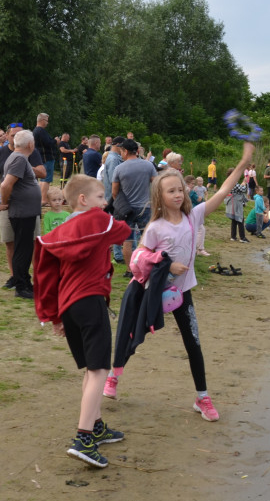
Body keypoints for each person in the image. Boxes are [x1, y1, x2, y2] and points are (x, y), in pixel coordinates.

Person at [105, 139, 255, 420]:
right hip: (151, 292)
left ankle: (203, 398)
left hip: (181, 294)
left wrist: (243, 163)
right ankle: (114, 376)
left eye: (180, 190)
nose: (177, 194)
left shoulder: (193, 217)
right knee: (133, 335)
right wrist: (165, 263)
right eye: (170, 191)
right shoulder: (155, 227)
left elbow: (223, 190)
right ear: (159, 197)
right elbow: (138, 259)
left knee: (193, 343)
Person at [33, 174, 131, 469]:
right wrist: (106, 216)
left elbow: (48, 275)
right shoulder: (97, 221)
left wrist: (54, 316)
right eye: (101, 197)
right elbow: (123, 230)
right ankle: (83, 437)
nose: (105, 203)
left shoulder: (59, 232)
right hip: (90, 301)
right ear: (84, 200)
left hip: (69, 305)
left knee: (90, 368)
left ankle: (96, 425)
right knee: (100, 369)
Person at [0, 126, 46, 293]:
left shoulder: (17, 157)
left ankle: (25, 282)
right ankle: (21, 286)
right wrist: (4, 203)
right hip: (22, 211)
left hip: (25, 211)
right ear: (30, 145)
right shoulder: (19, 159)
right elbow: (5, 185)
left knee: (24, 248)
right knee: (22, 250)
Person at [111, 138, 158, 272]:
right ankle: (150, 268)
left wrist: (120, 204)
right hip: (145, 207)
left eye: (121, 151)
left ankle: (130, 270)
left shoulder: (119, 168)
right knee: (148, 240)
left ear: (126, 151)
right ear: (137, 151)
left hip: (127, 210)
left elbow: (114, 192)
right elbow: (156, 184)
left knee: (128, 241)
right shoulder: (148, 165)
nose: (120, 154)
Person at [33, 113, 56, 206]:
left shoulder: (35, 131)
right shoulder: (41, 131)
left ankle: (41, 198)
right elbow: (48, 143)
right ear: (42, 120)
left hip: (40, 157)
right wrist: (55, 141)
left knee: (43, 179)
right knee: (46, 179)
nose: (47, 123)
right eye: (46, 120)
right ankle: (43, 200)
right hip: (47, 157)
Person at [224, 170, 250, 242]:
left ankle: (233, 236)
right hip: (236, 202)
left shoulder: (229, 181)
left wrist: (243, 183)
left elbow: (239, 189)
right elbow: (243, 189)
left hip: (233, 202)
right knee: (240, 219)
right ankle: (242, 238)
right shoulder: (233, 182)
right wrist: (245, 182)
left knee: (234, 220)